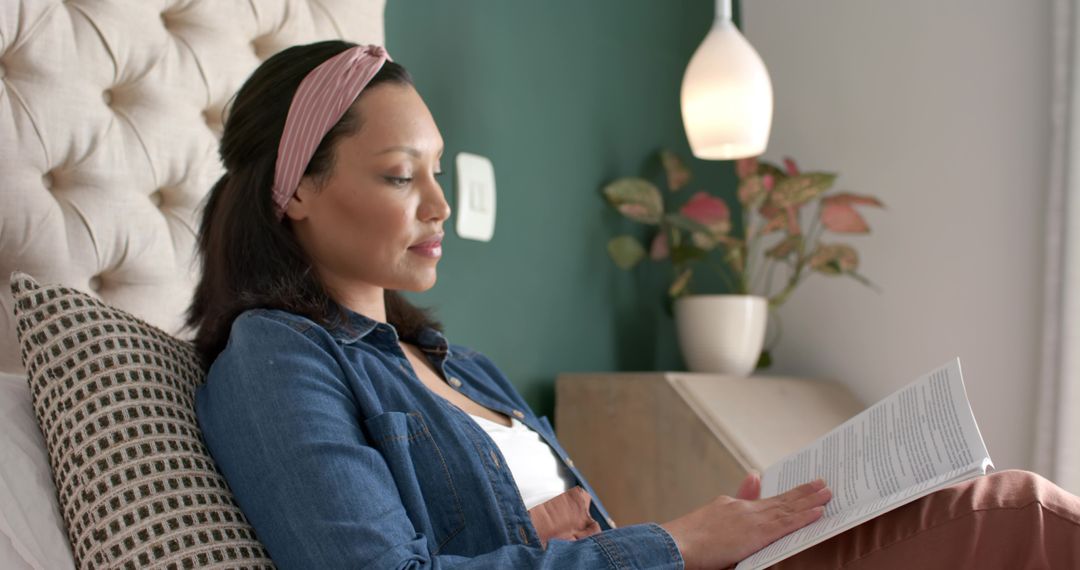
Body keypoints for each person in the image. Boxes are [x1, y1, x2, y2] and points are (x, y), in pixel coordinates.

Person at [187, 40, 1080, 569]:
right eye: (397, 175)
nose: (439, 206)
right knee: (1014, 518)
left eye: (437, 170)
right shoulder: (275, 355)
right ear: (294, 191)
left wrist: (715, 531)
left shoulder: (459, 365)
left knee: (980, 507)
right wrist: (677, 541)